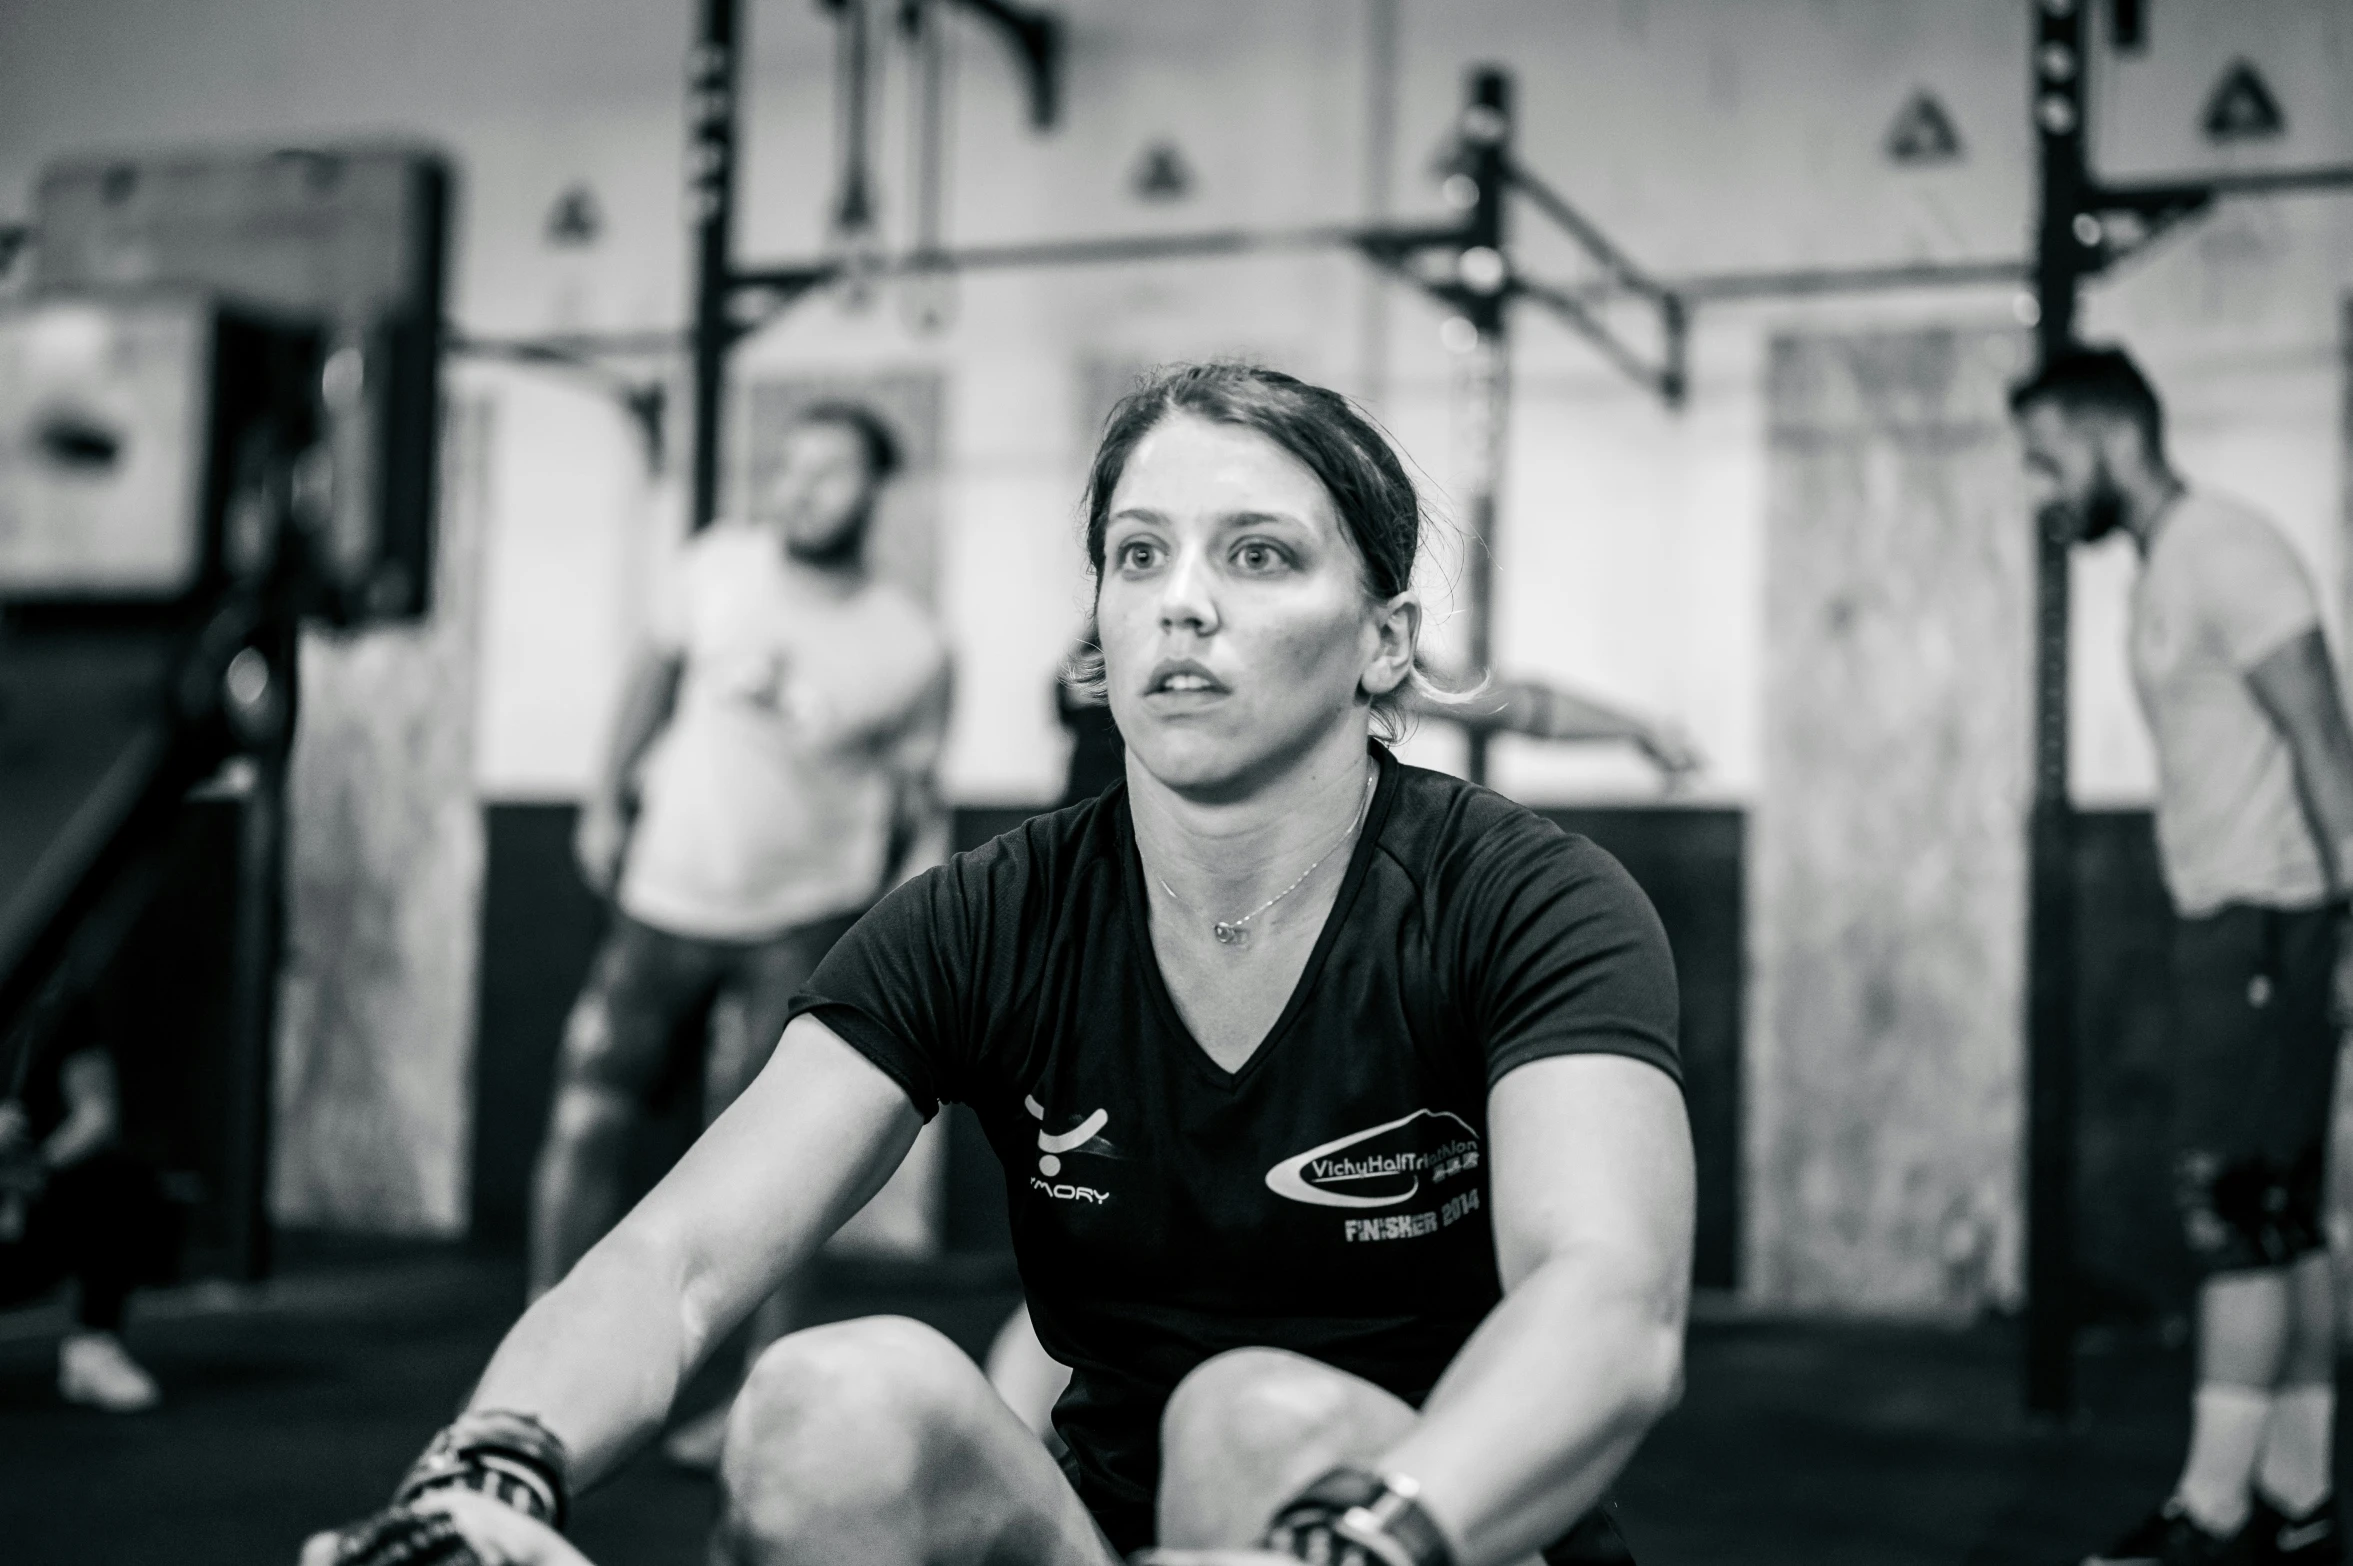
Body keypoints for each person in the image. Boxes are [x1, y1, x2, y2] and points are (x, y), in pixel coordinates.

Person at [306, 362, 1693, 1566]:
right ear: (1096, 625)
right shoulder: (985, 917)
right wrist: (488, 1461)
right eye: (1139, 556)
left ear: (1384, 640)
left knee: (1250, 1415)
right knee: (826, 1399)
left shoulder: (1525, 898)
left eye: (1258, 554)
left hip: (1437, 1526)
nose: (1183, 602)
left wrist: (1370, 1528)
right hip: (1111, 1521)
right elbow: (676, 1253)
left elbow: (1608, 1297)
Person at [529, 399, 951, 1461]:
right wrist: (602, 796)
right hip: (666, 896)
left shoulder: (911, 643)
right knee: (589, 1115)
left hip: (800, 915)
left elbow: (915, 798)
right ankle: (541, 1365)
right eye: (791, 467)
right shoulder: (716, 568)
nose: (802, 488)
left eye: (830, 471)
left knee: (781, 1158)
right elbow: (648, 680)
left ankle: (756, 1399)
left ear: (870, 492)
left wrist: (888, 912)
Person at [2012, 348, 2353, 1566]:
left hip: (2271, 919)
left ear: (2112, 434)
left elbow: (2322, 731)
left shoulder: (2222, 548)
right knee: (2284, 1222)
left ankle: (2212, 1514)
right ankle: (2300, 1500)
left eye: (2050, 459)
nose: (2044, 490)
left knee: (2232, 1214)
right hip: (2242, 921)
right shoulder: (2172, 564)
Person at [0, 995, 180, 1413]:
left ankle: (92, 1348)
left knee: (117, 1181)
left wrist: (37, 1168)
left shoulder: (55, 1007)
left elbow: (97, 1116)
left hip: (19, 1201)